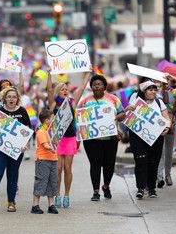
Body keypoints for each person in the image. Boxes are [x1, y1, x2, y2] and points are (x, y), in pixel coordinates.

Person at [46, 66, 91, 208]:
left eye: (66, 89)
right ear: (57, 92)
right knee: (58, 168)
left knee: (67, 168)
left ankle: (67, 195)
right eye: (62, 89)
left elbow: (83, 87)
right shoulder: (53, 103)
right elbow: (48, 90)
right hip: (57, 139)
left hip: (70, 138)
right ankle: (57, 194)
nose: (65, 91)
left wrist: (88, 72)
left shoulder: (72, 102)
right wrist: (49, 73)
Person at [0, 87, 30, 212]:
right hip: (0, 149)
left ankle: (11, 203)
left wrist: (25, 144)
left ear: (17, 98)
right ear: (5, 98)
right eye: (9, 97)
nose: (11, 99)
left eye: (14, 97)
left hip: (16, 150)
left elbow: (26, 131)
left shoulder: (22, 112)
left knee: (12, 176)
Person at [77, 74, 125, 201]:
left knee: (109, 164)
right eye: (94, 84)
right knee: (95, 164)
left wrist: (116, 118)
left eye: (99, 84)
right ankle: (96, 191)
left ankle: (106, 186)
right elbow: (79, 118)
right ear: (91, 87)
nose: (97, 86)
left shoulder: (113, 99)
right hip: (91, 139)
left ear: (104, 86)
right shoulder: (85, 101)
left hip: (110, 138)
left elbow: (123, 114)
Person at [125, 80, 170, 199]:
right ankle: (140, 188)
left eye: (155, 90)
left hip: (156, 137)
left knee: (153, 162)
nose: (153, 92)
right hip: (137, 137)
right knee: (141, 161)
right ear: (144, 91)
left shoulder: (159, 103)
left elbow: (167, 118)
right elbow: (126, 117)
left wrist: (167, 127)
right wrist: (127, 109)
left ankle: (151, 188)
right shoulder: (136, 102)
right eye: (150, 90)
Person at [31, 109, 58, 214]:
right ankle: (35, 205)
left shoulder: (52, 131)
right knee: (41, 181)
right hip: (42, 160)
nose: (54, 120)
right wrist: (50, 148)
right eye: (52, 118)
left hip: (53, 159)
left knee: (52, 182)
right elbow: (45, 144)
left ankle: (51, 205)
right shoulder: (41, 132)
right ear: (47, 120)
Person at [157, 74, 176, 187]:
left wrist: (174, 77)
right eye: (164, 80)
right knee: (160, 152)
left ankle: (168, 175)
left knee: (169, 152)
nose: (166, 82)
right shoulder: (157, 92)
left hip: (172, 122)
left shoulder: (174, 92)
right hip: (159, 123)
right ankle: (159, 177)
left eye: (168, 80)